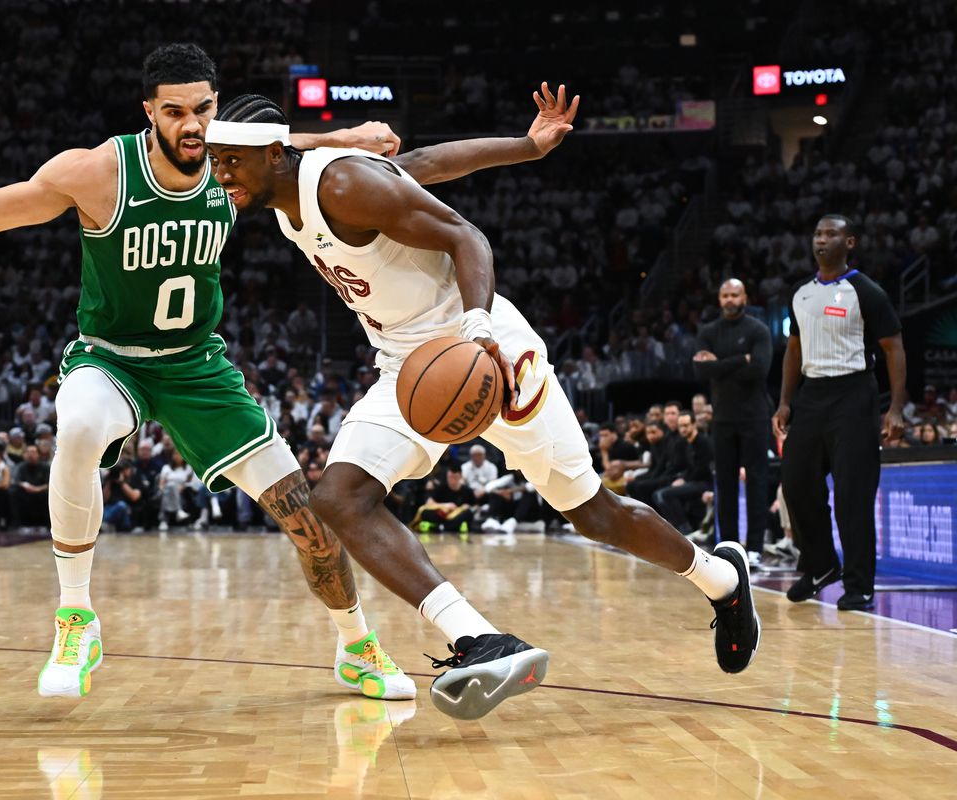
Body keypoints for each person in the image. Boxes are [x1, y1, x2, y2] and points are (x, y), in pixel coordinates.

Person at [0, 43, 413, 702]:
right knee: (79, 421)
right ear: (149, 111)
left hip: (198, 367)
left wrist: (349, 137)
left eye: (203, 108)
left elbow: (287, 140)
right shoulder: (97, 173)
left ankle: (356, 645)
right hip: (112, 359)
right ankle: (76, 617)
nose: (193, 125)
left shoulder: (235, 165)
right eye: (174, 111)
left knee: (309, 522)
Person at [206, 84, 759, 720]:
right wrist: (525, 145)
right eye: (216, 162)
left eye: (231, 162)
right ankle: (479, 640)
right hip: (410, 368)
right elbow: (426, 166)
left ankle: (720, 580)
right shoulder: (288, 198)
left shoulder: (341, 185)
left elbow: (464, 236)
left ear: (274, 153)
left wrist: (477, 326)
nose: (221, 176)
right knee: (338, 497)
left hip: (486, 352)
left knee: (593, 514)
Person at [774, 214, 906, 611]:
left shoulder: (866, 291)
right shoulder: (801, 294)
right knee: (795, 484)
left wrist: (896, 407)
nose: (822, 239)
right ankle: (819, 565)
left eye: (831, 234)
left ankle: (860, 584)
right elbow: (794, 351)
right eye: (817, 233)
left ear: (849, 242)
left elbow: (893, 347)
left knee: (853, 493)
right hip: (812, 395)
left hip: (854, 393)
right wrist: (784, 400)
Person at [693, 279, 773, 556]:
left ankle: (755, 548)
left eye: (734, 295)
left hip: (755, 416)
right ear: (719, 299)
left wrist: (718, 366)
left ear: (745, 297)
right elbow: (700, 372)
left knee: (757, 482)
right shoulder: (708, 331)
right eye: (725, 295)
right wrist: (742, 360)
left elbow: (761, 370)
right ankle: (728, 548)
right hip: (723, 418)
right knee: (724, 485)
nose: (729, 300)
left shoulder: (758, 330)